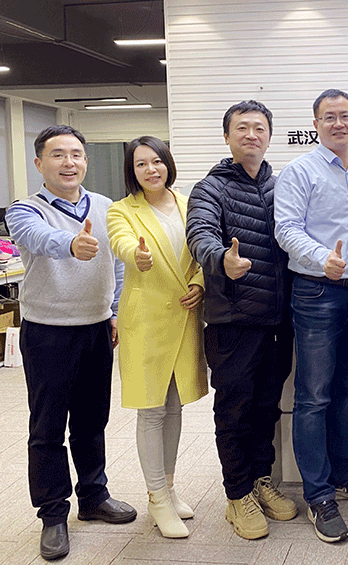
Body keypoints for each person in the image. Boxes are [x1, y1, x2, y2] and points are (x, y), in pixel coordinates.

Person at [6, 125, 136, 561]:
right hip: (48, 331)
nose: (69, 162)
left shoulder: (104, 205)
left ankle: (94, 497)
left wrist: (114, 310)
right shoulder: (25, 210)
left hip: (96, 328)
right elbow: (38, 240)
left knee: (91, 420)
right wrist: (71, 243)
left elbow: (117, 264)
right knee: (47, 427)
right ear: (39, 163)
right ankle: (53, 513)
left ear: (85, 161)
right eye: (58, 154)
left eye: (76, 154)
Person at [275, 89, 348, 543]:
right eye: (329, 117)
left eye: (346, 116)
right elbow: (286, 229)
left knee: (345, 389)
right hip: (317, 291)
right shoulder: (300, 171)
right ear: (316, 124)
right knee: (314, 396)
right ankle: (318, 494)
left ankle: (341, 473)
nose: (339, 124)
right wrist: (323, 258)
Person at [186, 101, 297, 541]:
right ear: (227, 136)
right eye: (242, 128)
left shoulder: (282, 185)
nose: (251, 134)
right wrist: (220, 260)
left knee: (267, 407)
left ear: (269, 135)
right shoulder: (210, 188)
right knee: (234, 411)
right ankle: (237, 495)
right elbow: (200, 234)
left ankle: (260, 480)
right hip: (232, 322)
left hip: (277, 322)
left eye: (259, 128)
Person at [107, 136, 208, 538]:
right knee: (152, 410)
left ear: (168, 163)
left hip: (184, 318)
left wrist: (200, 282)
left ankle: (168, 487)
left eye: (156, 161)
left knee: (175, 405)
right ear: (131, 171)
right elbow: (121, 242)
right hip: (146, 324)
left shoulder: (189, 203)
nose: (151, 169)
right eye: (141, 164)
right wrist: (136, 255)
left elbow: (203, 251)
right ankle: (157, 498)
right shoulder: (121, 210)